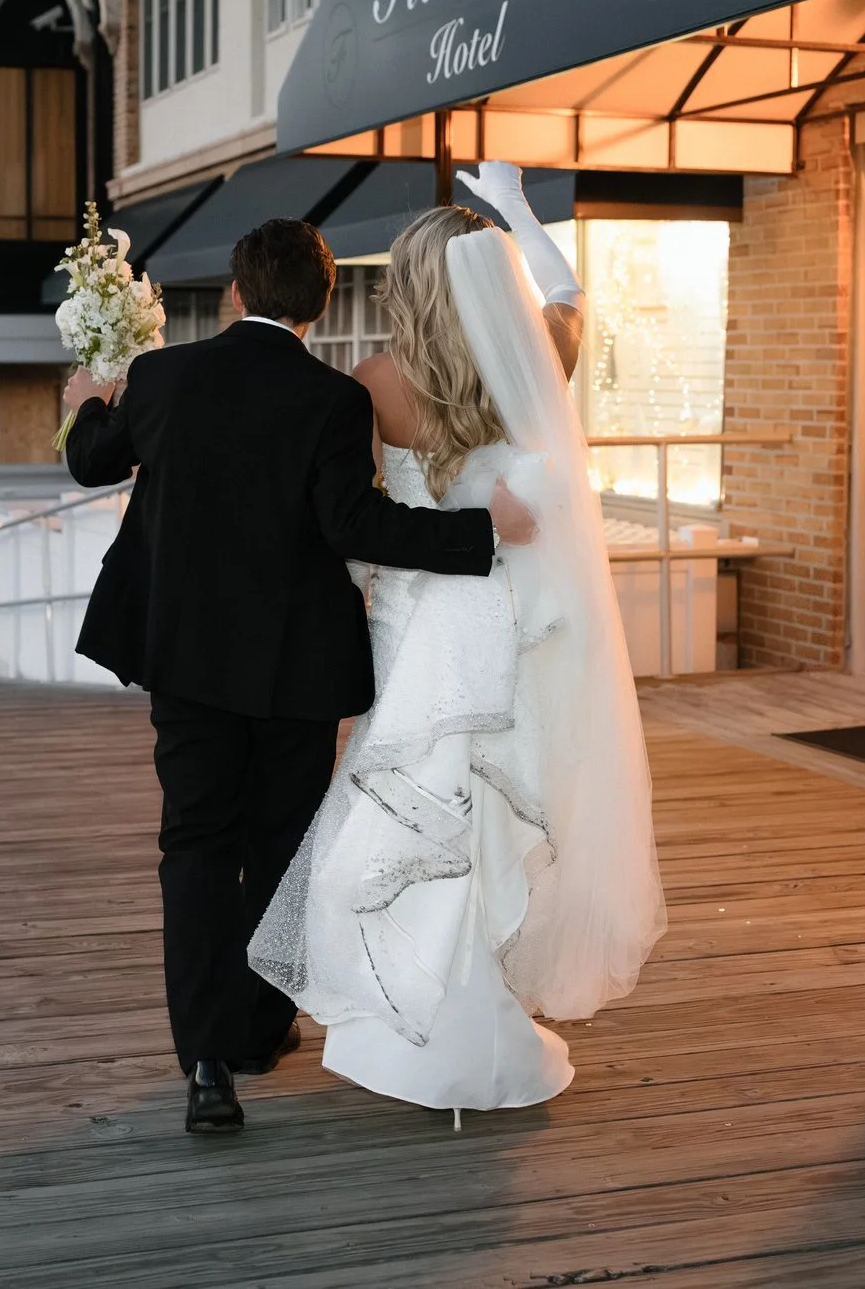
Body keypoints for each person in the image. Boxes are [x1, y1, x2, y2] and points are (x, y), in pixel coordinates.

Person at [63, 217, 542, 1136]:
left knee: (195, 847)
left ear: (236, 293)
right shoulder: (333, 401)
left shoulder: (164, 377)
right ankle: (258, 1025)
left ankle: (208, 1062)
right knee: (281, 845)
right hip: (296, 673)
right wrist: (483, 533)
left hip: (190, 666)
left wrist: (89, 395)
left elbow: (92, 460)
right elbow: (357, 528)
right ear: (319, 309)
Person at [249, 163, 666, 1117]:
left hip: (416, 624)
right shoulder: (526, 359)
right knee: (482, 810)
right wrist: (519, 203)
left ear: (407, 286)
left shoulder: (370, 386)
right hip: (505, 623)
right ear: (487, 277)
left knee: (408, 805)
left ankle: (413, 1025)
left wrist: (363, 591)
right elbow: (568, 293)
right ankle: (477, 1013)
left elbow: (354, 528)